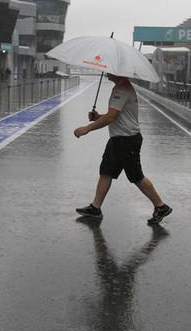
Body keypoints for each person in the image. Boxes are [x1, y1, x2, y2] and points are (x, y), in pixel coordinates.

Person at [73, 74, 172, 225]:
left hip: (127, 140)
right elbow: (116, 114)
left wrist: (87, 128)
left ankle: (161, 206)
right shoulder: (120, 88)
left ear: (118, 72)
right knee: (106, 172)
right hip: (118, 139)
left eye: (110, 70)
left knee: (136, 177)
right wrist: (98, 116)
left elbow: (111, 118)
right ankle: (95, 207)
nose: (107, 71)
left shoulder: (122, 89)